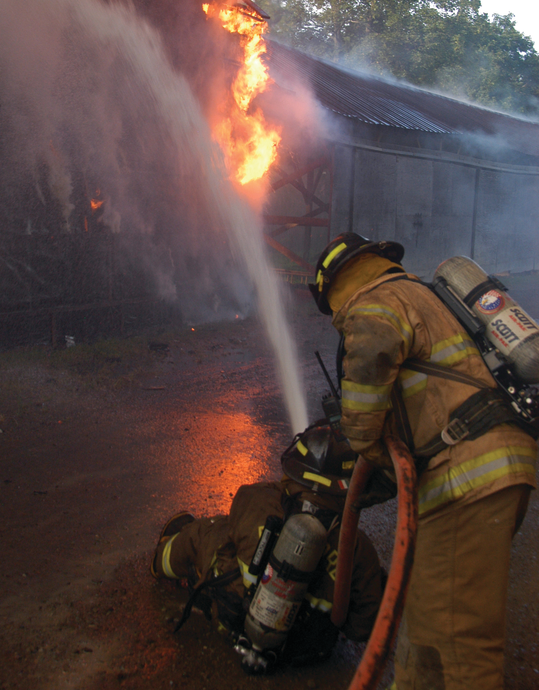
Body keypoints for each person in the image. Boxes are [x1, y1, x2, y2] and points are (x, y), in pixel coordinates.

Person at [310, 232, 537, 690]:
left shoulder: (374, 300)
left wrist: (369, 452)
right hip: (479, 470)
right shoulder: (419, 293)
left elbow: (370, 369)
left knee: (460, 640)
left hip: (467, 475)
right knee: (428, 618)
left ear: (334, 286)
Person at [151, 419, 385, 667]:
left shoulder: (259, 500)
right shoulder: (359, 551)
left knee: (209, 531)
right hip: (304, 653)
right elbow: (362, 629)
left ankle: (160, 561)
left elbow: (239, 523)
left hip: (235, 623)